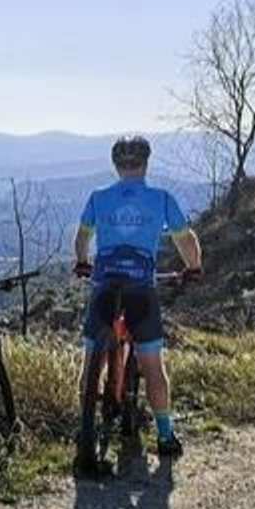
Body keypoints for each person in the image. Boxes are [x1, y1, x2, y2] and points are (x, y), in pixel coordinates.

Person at [73, 135, 204, 462]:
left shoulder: (98, 197)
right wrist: (193, 267)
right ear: (146, 163)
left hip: (105, 283)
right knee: (152, 364)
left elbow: (82, 237)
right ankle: (165, 436)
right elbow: (185, 239)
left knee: (91, 361)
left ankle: (84, 427)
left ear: (115, 165)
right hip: (140, 287)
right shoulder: (161, 198)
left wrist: (83, 262)